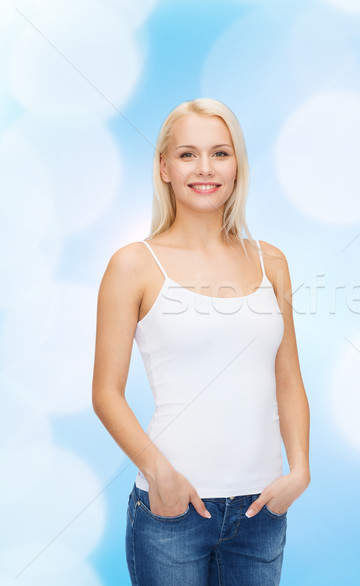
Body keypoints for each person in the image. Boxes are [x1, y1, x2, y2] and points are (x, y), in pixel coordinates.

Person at [92, 98, 311, 585]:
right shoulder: (134, 265)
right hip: (172, 510)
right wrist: (159, 474)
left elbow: (288, 376)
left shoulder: (270, 261)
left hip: (261, 512)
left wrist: (299, 470)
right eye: (188, 154)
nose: (205, 168)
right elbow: (105, 392)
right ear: (164, 167)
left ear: (237, 166)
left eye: (220, 153)